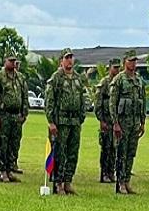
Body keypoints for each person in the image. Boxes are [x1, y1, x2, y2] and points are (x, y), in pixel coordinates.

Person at [44, 49, 87, 194]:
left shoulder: (77, 78)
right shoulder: (56, 78)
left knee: (73, 152)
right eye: (67, 58)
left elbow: (82, 98)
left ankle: (68, 181)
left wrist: (82, 116)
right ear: (61, 60)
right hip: (61, 121)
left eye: (71, 58)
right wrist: (51, 122)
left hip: (74, 121)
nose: (70, 60)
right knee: (60, 153)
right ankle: (58, 183)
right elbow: (49, 100)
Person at [109, 49, 146, 195]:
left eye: (135, 61)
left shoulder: (138, 80)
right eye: (130, 61)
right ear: (125, 62)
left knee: (131, 153)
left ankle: (127, 181)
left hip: (135, 122)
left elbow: (142, 102)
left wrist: (142, 122)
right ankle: (120, 183)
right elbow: (113, 103)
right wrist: (115, 123)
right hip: (122, 123)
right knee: (121, 153)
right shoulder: (118, 80)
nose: (133, 63)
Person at [0, 55, 28, 183]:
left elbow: (24, 95)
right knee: (3, 144)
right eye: (10, 61)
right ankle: (2, 171)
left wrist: (24, 113)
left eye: (14, 61)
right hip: (4, 115)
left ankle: (10, 170)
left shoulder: (20, 77)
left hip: (16, 116)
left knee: (14, 144)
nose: (13, 63)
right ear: (5, 61)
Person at [95, 58, 119, 183]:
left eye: (118, 67)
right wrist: (101, 120)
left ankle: (111, 172)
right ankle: (104, 173)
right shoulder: (105, 82)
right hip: (106, 121)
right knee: (106, 148)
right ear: (109, 68)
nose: (117, 70)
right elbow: (98, 103)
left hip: (116, 122)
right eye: (114, 67)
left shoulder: (119, 82)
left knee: (114, 149)